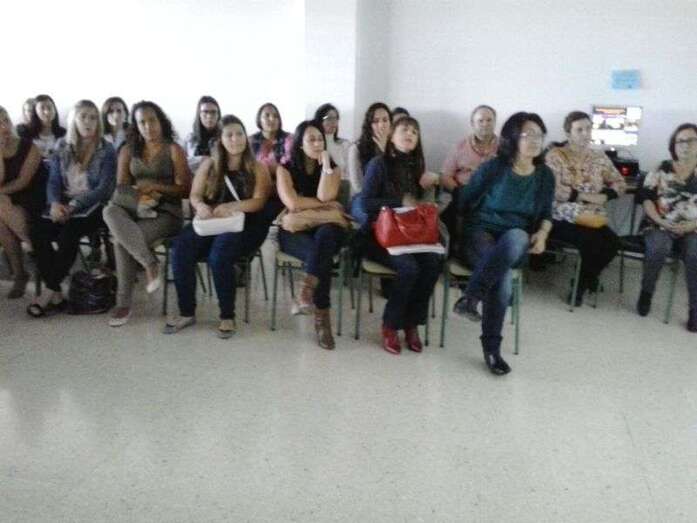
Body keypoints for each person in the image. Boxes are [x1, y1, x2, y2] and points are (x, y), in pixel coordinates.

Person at [454, 112, 555, 375]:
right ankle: (492, 350)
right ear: (512, 137)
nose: (535, 140)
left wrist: (543, 234)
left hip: (515, 241)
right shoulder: (493, 168)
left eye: (539, 135)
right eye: (527, 134)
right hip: (480, 234)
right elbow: (464, 201)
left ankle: (470, 298)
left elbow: (546, 213)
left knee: (517, 236)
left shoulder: (545, 176)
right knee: (502, 275)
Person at [166, 115, 272, 338]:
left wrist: (232, 206)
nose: (235, 139)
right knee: (180, 249)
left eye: (239, 134)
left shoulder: (257, 167)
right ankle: (187, 312)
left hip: (244, 224)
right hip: (213, 220)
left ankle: (227, 315)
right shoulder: (209, 164)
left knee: (219, 255)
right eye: (229, 135)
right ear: (220, 140)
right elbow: (195, 195)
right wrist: (200, 206)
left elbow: (259, 202)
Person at [358, 116, 442, 354]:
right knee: (409, 268)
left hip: (409, 236)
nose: (410, 134)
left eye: (415, 132)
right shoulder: (379, 164)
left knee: (432, 263)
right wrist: (399, 200)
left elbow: (419, 207)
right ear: (392, 137)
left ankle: (411, 323)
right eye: (405, 129)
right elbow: (365, 203)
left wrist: (429, 191)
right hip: (380, 235)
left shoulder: (417, 167)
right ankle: (390, 325)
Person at [103, 101, 190, 327]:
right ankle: (149, 262)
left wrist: (156, 187)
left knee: (121, 240)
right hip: (136, 207)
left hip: (166, 212)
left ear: (161, 121)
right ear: (136, 125)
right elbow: (121, 188)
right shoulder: (127, 150)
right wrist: (139, 197)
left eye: (152, 120)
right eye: (142, 122)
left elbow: (185, 190)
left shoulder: (173, 149)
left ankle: (123, 303)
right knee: (109, 210)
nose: (148, 126)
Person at [26, 100, 116, 316]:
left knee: (69, 233)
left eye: (93, 117)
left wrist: (74, 206)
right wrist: (54, 203)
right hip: (63, 202)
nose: (88, 122)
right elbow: (53, 181)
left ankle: (48, 293)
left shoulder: (107, 149)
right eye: (83, 117)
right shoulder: (62, 146)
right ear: (74, 120)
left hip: (93, 206)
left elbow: (104, 189)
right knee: (37, 231)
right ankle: (57, 294)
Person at [276, 120, 347, 350]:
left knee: (325, 238)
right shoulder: (284, 169)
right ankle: (322, 320)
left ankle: (306, 294)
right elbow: (292, 203)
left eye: (320, 139)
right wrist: (322, 206)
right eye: (311, 139)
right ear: (300, 144)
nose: (317, 144)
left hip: (326, 228)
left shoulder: (333, 168)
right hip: (295, 230)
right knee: (321, 256)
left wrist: (325, 167)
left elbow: (325, 196)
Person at [545, 111, 626, 305]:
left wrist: (606, 195)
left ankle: (585, 277)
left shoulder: (599, 157)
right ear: (568, 133)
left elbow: (620, 183)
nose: (585, 133)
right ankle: (580, 288)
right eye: (579, 129)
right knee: (592, 243)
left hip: (590, 216)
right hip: (561, 216)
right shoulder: (555, 156)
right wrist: (585, 196)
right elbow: (554, 189)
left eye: (588, 129)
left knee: (613, 244)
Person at [637, 123, 697, 331]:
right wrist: (660, 221)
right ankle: (646, 293)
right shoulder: (662, 167)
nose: (685, 145)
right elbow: (645, 198)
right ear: (674, 145)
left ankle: (695, 309)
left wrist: (691, 225)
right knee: (658, 248)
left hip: (693, 228)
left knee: (695, 254)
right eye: (680, 141)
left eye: (691, 140)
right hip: (658, 223)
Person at [0, 106, 42, 298]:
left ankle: (23, 269)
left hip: (33, 197)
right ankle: (31, 252)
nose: (4, 127)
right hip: (6, 202)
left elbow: (23, 181)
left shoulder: (29, 146)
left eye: (6, 120)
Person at [441, 105, 498, 191]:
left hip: (494, 193)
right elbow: (445, 175)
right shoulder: (460, 146)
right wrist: (459, 193)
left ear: (495, 122)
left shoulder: (505, 147)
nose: (485, 124)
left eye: (489, 120)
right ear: (472, 123)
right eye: (480, 121)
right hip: (464, 190)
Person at [346, 102, 391, 198]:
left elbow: (396, 183)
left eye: (385, 120)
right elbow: (358, 187)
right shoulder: (356, 149)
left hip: (389, 199)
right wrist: (381, 154)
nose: (381, 125)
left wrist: (385, 151)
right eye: (376, 121)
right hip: (364, 199)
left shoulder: (395, 147)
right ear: (369, 125)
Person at [249, 102, 292, 177]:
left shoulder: (289, 138)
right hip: (258, 178)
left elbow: (290, 164)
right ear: (259, 119)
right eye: (267, 115)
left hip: (284, 178)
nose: (272, 119)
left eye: (275, 116)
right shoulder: (251, 140)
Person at [183, 96, 221, 172]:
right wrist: (201, 159)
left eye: (213, 112)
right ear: (199, 114)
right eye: (205, 112)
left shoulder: (224, 137)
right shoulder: (190, 139)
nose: (209, 116)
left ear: (218, 115)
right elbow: (181, 162)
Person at [22, 94, 66, 159]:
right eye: (42, 108)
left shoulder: (63, 133)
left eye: (49, 107)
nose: (47, 112)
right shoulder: (26, 133)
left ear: (55, 109)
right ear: (35, 111)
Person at [313, 103, 351, 173]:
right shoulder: (314, 145)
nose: (334, 122)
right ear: (319, 121)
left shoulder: (345, 145)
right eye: (329, 118)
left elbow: (349, 173)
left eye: (336, 118)